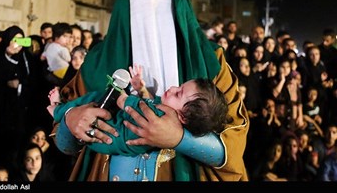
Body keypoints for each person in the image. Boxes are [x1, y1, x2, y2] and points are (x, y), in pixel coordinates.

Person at [54, 0, 249, 181]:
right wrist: (70, 119)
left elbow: (232, 148)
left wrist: (179, 138)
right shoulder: (95, 63)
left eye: (160, 1)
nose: (149, 13)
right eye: (140, 1)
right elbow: (65, 145)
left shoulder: (211, 62)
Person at [48, 64, 229, 156]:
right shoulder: (169, 111)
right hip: (112, 137)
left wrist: (116, 90)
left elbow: (128, 103)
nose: (173, 88)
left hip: (108, 136)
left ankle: (57, 109)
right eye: (179, 86)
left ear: (183, 116)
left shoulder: (160, 116)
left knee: (95, 98)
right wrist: (141, 89)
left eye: (178, 93)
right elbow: (150, 102)